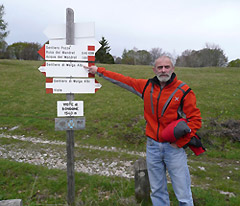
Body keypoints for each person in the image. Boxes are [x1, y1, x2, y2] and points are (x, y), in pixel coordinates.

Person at [85, 56, 202, 206]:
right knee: (157, 190)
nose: (163, 70)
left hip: (174, 148)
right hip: (153, 146)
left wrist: (181, 143)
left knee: (183, 192)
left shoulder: (184, 90)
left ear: (173, 69)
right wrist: (98, 71)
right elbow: (123, 80)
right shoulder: (147, 86)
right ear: (154, 70)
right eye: (160, 67)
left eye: (167, 67)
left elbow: (195, 120)